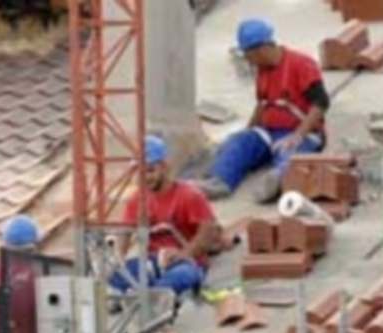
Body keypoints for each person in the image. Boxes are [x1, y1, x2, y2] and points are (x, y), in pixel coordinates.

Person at [195, 17, 331, 203]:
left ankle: (278, 180)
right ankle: (220, 182)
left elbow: (321, 103)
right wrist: (247, 132)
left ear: (261, 49)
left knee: (289, 154)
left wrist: (298, 135)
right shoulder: (263, 70)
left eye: (249, 55)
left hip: (303, 133)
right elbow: (262, 104)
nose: (248, 61)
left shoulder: (301, 64)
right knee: (238, 142)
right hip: (270, 132)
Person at [109, 135, 220, 295]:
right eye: (140, 173)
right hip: (152, 261)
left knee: (182, 275)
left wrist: (185, 253)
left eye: (150, 170)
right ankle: (147, 295)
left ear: (164, 167)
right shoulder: (136, 199)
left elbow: (209, 229)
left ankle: (151, 297)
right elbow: (125, 231)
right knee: (114, 278)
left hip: (186, 262)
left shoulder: (188, 194)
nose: (145, 178)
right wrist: (119, 257)